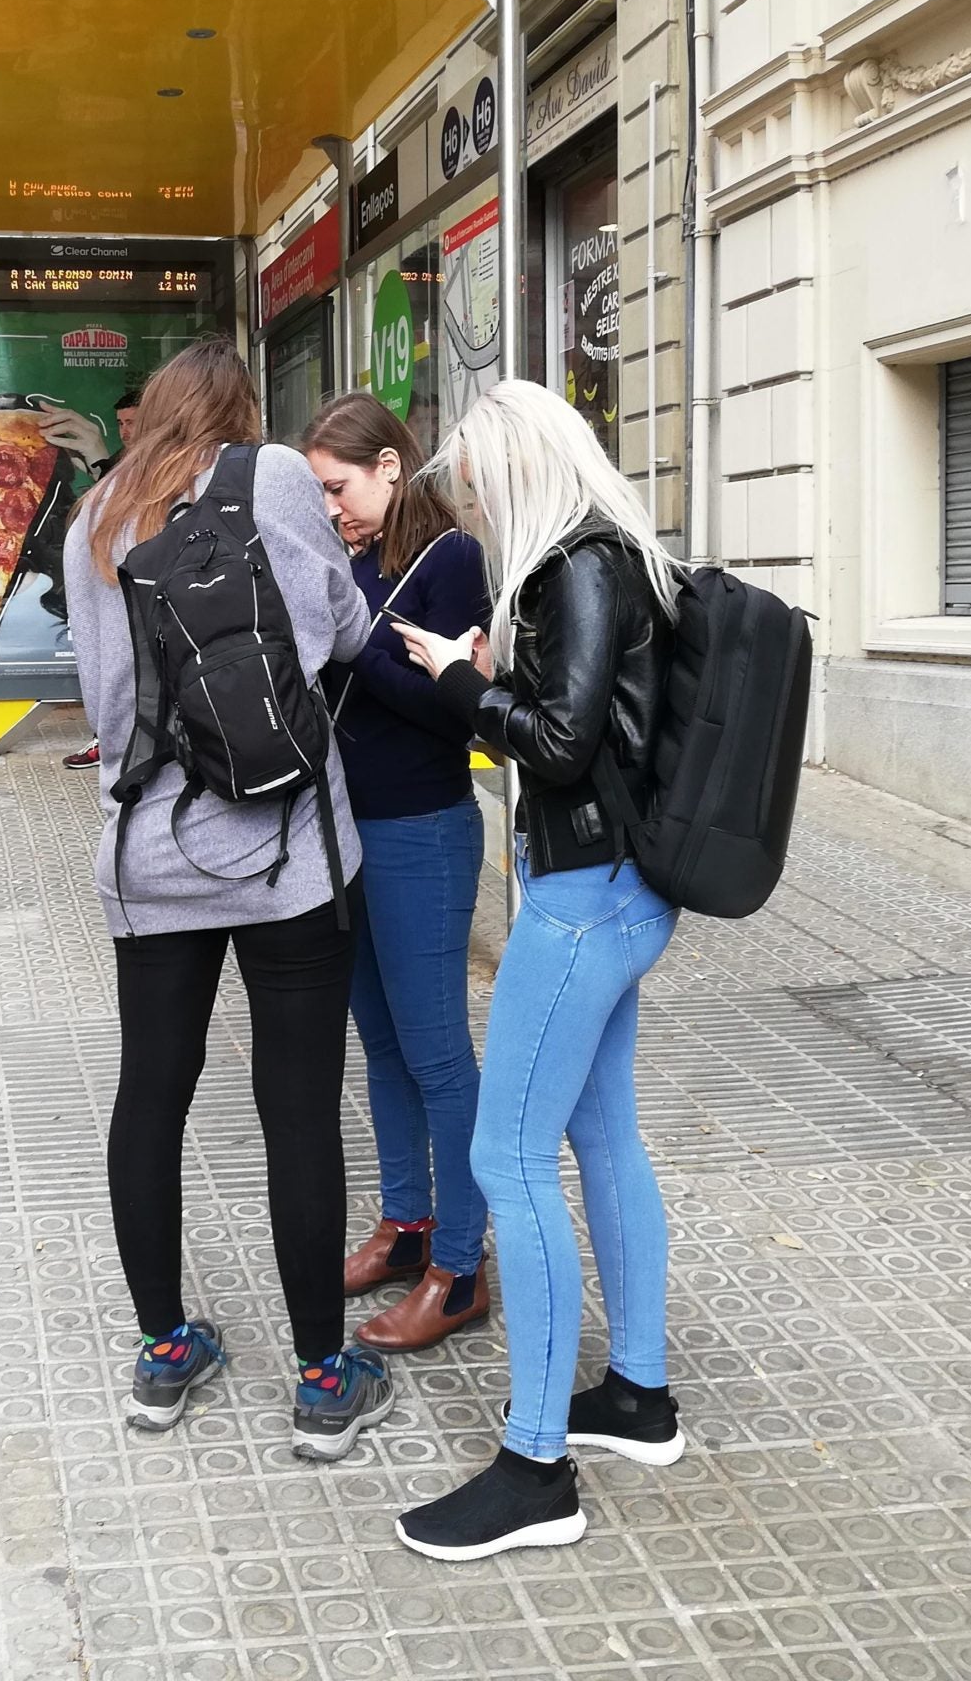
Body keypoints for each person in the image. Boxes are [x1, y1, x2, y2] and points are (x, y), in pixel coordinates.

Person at [63, 338, 394, 1462]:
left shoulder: (97, 513)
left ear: (147, 413)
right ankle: (319, 1379)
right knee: (297, 1107)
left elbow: (101, 695)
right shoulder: (278, 479)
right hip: (288, 849)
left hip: (151, 854)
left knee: (149, 1097)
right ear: (243, 408)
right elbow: (343, 629)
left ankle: (164, 1353)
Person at [385, 379, 687, 1562]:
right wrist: (488, 672)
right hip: (622, 890)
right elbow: (585, 722)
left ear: (508, 468)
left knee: (505, 1155)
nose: (467, 512)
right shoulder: (613, 556)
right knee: (601, 1136)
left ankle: (535, 1471)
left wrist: (460, 682)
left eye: (470, 487)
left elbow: (555, 748)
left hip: (580, 901)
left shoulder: (571, 566)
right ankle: (639, 1398)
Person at [302, 392, 494, 1352]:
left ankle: (462, 1266)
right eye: (319, 492)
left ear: (389, 465)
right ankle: (407, 1227)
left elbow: (451, 713)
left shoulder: (449, 561)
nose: (331, 506)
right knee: (378, 1044)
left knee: (437, 1053)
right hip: (347, 832)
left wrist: (352, 635)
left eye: (339, 486)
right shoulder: (347, 558)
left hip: (421, 830)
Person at [52, 388, 145, 773]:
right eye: (121, 423)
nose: (125, 431)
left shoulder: (161, 460)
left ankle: (116, 737)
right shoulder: (127, 456)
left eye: (132, 422)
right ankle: (110, 735)